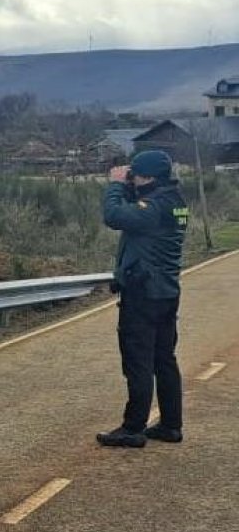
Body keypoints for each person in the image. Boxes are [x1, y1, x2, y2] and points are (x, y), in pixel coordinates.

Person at [97, 150, 189, 448]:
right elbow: (135, 209)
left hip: (143, 294)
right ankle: (171, 425)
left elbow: (114, 216)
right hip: (166, 291)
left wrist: (114, 185)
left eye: (135, 174)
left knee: (138, 361)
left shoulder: (153, 207)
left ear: (148, 177)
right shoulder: (175, 201)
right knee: (164, 359)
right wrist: (128, 187)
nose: (131, 178)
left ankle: (132, 428)